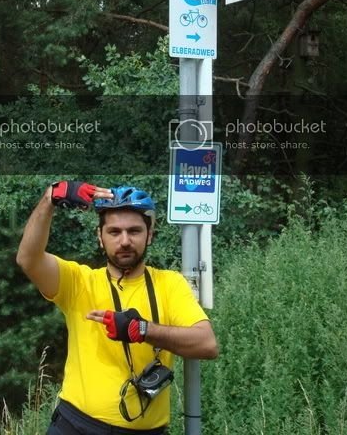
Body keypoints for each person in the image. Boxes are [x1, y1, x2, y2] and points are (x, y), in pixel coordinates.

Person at [17, 181, 218, 435]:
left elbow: (207, 344)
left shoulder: (170, 284)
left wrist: (142, 330)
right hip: (76, 426)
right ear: (100, 238)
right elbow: (28, 258)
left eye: (134, 231)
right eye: (114, 232)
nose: (124, 241)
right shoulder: (78, 282)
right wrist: (50, 198)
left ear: (150, 234)